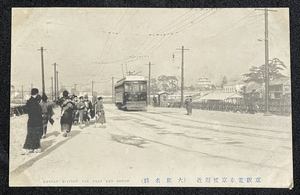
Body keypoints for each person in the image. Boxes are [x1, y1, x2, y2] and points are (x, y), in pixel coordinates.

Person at [22, 88, 43, 154]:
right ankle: (35, 148)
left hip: (30, 120)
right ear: (36, 94)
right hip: (36, 120)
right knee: (36, 134)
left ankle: (27, 148)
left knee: (30, 134)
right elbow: (38, 112)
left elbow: (26, 110)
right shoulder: (35, 103)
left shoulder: (29, 101)